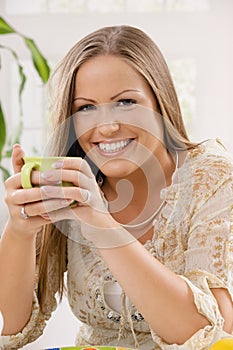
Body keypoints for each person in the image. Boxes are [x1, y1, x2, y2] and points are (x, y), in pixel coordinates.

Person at [0, 25, 233, 350]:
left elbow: (213, 331)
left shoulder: (210, 174)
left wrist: (103, 226)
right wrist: (20, 230)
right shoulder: (70, 182)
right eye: (86, 107)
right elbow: (16, 328)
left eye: (125, 102)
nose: (107, 126)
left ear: (159, 101)